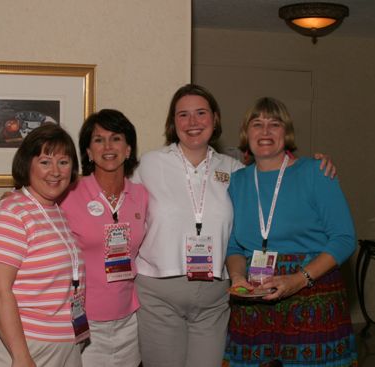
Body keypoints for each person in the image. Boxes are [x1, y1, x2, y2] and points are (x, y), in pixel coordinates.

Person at [133, 84, 336, 367]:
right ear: (172, 122)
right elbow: (115, 199)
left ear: (215, 119)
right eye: (183, 115)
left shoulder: (235, 170)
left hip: (215, 297)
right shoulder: (149, 164)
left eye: (201, 113)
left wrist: (315, 164)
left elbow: (272, 182)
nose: (193, 122)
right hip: (159, 296)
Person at [223, 97, 357, 366]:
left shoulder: (315, 172)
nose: (265, 131)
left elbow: (344, 238)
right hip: (253, 298)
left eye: (275, 124)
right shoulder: (237, 181)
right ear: (245, 133)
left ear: (287, 132)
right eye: (257, 124)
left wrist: (298, 279)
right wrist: (237, 278)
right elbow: (235, 245)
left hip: (311, 295)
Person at [0, 124, 87, 367]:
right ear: (27, 165)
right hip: (18, 347)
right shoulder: (11, 212)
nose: (55, 171)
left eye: (63, 162)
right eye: (45, 162)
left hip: (61, 344)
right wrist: (21, 356)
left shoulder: (55, 212)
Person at [60, 109, 148, 366]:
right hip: (83, 321)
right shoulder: (69, 192)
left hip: (129, 320)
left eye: (116, 138)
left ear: (129, 149)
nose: (108, 146)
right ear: (88, 151)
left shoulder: (142, 195)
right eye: (98, 140)